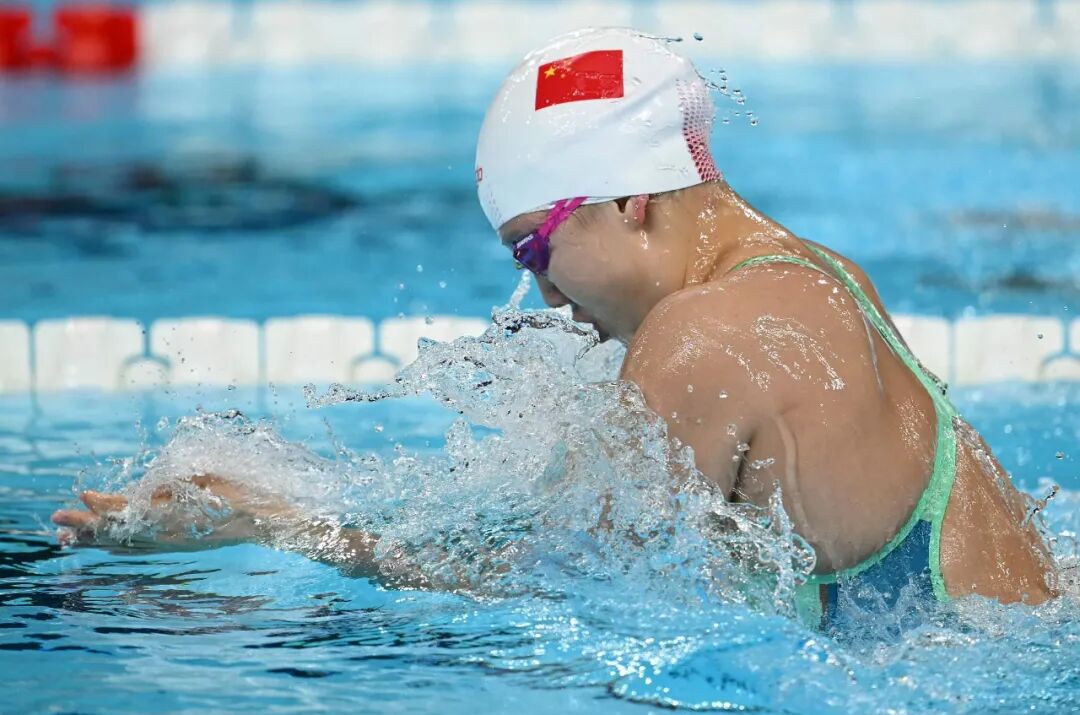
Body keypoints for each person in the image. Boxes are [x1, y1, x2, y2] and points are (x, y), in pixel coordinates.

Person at [54, 27, 1054, 628]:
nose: (544, 297)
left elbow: (553, 589)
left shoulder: (701, 339)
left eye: (535, 249)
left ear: (628, 199)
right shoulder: (821, 275)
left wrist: (278, 526)